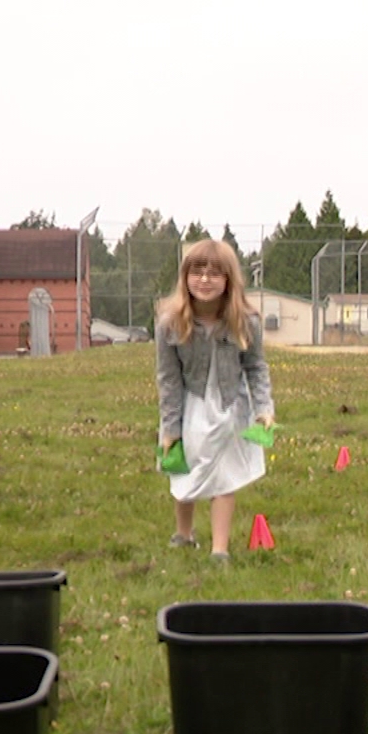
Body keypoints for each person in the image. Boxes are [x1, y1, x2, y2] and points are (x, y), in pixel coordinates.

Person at [155, 238, 273, 562]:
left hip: (230, 407)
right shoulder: (169, 323)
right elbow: (168, 378)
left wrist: (264, 409)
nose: (205, 280)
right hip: (190, 407)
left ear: (228, 280)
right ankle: (184, 533)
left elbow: (256, 368)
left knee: (225, 473)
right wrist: (171, 428)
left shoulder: (245, 321)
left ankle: (219, 550)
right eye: (198, 272)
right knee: (185, 469)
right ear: (185, 277)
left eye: (214, 273)